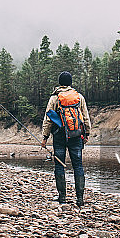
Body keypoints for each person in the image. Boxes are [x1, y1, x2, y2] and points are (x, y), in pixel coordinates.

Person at [41, 71, 91, 206]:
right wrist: (87, 134)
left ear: (59, 83)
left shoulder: (54, 98)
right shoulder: (79, 97)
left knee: (59, 165)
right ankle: (80, 199)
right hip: (76, 135)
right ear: (70, 83)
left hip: (59, 136)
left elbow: (48, 119)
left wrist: (45, 137)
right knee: (78, 165)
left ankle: (62, 197)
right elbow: (85, 117)